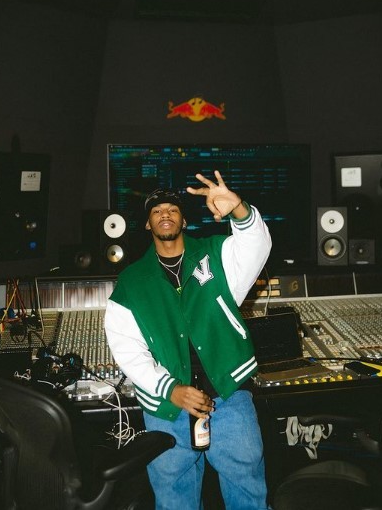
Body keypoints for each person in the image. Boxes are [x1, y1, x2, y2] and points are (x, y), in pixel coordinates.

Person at [104, 170, 272, 510]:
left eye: (173, 209)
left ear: (184, 220)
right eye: (157, 211)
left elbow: (257, 244)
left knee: (249, 495)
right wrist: (170, 389)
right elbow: (127, 349)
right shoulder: (131, 282)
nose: (165, 214)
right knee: (173, 499)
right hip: (167, 409)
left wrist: (238, 208)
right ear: (148, 225)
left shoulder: (217, 254)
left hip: (228, 394)